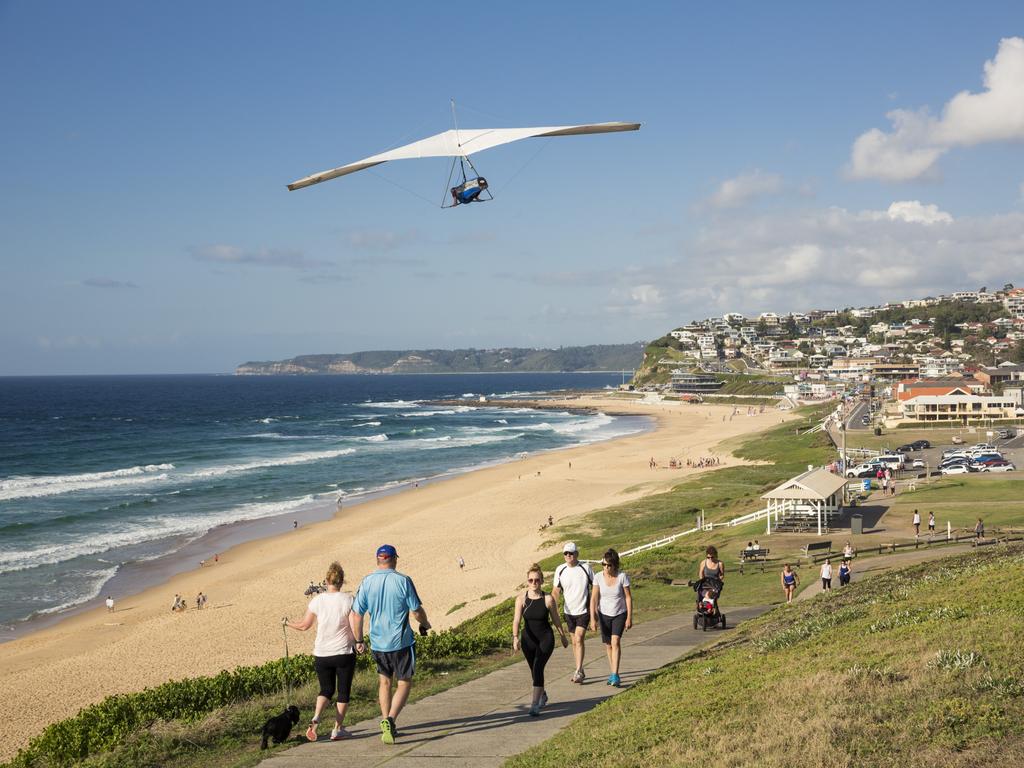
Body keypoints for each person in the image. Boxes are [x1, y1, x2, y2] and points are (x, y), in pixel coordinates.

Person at [352, 545, 431, 744]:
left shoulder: (367, 582)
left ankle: (386, 723)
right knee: (404, 682)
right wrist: (425, 624)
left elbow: (356, 614)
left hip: (378, 643)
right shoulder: (403, 580)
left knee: (384, 682)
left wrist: (359, 640)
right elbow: (416, 610)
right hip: (401, 642)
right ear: (394, 559)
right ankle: (390, 719)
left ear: (378, 560)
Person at [285, 561, 359, 742]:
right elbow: (354, 624)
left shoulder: (317, 600)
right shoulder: (349, 599)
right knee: (343, 691)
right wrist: (359, 642)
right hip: (343, 652)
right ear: (342, 581)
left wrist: (287, 623)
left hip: (322, 653)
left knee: (326, 689)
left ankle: (316, 718)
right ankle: (337, 729)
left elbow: (304, 626)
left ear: (326, 581)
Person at [512, 564, 569, 716]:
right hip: (527, 640)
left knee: (538, 668)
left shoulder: (548, 599)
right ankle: (542, 695)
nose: (534, 583)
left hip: (545, 639)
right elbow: (516, 620)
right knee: (534, 670)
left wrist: (562, 636)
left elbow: (556, 619)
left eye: (537, 580)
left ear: (542, 581)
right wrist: (515, 637)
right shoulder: (521, 599)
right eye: (530, 580)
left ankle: (534, 705)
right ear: (527, 582)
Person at [551, 542, 595, 684]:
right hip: (568, 612)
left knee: (578, 638)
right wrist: (553, 606)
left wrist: (595, 608)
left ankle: (578, 670)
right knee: (574, 643)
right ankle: (580, 669)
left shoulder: (585, 568)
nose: (568, 556)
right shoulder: (560, 570)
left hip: (584, 610)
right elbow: (556, 591)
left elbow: (595, 587)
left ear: (577, 554)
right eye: (566, 553)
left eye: (571, 553)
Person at [589, 549, 632, 686]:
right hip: (603, 614)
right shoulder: (598, 577)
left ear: (615, 565)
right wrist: (593, 618)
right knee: (608, 645)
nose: (606, 568)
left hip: (619, 613)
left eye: (609, 565)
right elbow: (594, 599)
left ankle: (615, 674)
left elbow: (628, 597)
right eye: (604, 565)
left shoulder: (622, 577)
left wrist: (629, 617)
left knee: (615, 642)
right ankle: (613, 672)